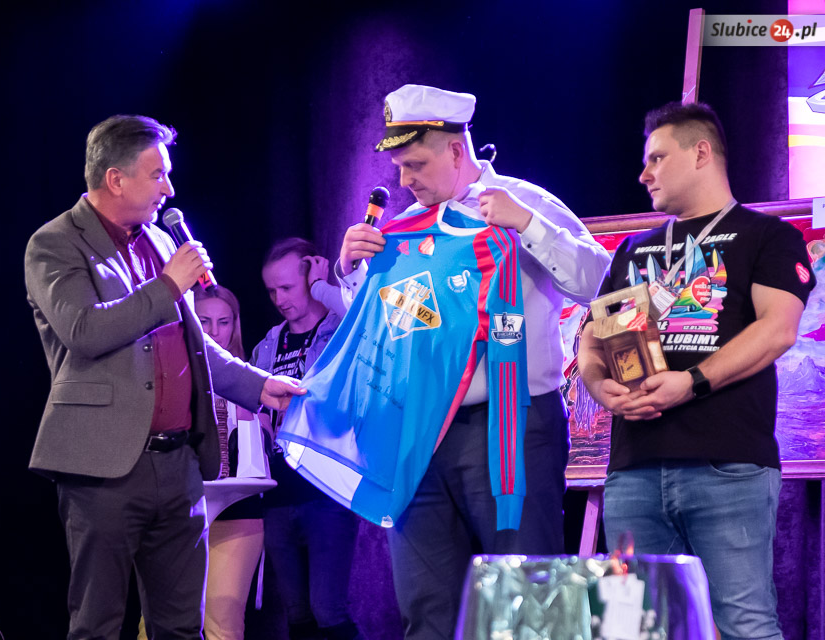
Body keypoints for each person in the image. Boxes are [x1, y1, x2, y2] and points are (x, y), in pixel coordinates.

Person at [336, 84, 610, 639]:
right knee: (427, 605)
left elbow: (598, 282)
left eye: (415, 164)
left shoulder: (525, 200)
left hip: (512, 425)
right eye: (398, 166)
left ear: (457, 150)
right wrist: (351, 273)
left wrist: (529, 226)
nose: (404, 180)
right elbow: (391, 326)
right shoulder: (407, 228)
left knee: (528, 600)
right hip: (420, 431)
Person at [24, 114, 303, 640]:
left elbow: (195, 346)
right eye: (157, 175)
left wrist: (258, 386)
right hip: (102, 467)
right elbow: (84, 330)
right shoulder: (55, 243)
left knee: (180, 626)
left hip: (178, 465)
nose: (169, 189)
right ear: (115, 179)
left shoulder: (157, 239)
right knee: (98, 626)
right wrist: (170, 284)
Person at [578, 102, 815, 640]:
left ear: (701, 152)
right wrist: (601, 387)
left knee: (744, 623)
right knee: (632, 628)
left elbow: (778, 329)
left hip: (727, 463)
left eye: (657, 158)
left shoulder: (766, 235)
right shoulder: (633, 250)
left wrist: (692, 381)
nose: (644, 174)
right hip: (633, 468)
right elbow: (592, 338)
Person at [250, 238, 361, 640]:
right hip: (278, 492)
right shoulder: (269, 343)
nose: (279, 299)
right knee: (297, 614)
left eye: (287, 287)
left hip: (325, 488)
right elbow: (250, 404)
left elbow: (371, 319)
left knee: (327, 610)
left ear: (311, 274)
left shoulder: (339, 328)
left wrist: (322, 288)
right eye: (271, 291)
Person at [195, 285, 268, 640]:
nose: (214, 331)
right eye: (204, 321)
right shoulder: (167, 377)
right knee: (158, 624)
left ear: (235, 324)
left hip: (239, 506)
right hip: (177, 505)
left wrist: (261, 421)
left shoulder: (255, 378)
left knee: (222, 625)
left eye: (223, 322)